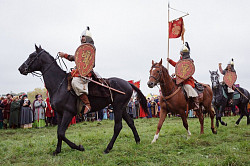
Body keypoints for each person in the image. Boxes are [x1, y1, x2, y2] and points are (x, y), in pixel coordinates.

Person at [59, 26, 94, 115]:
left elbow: (84, 61)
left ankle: (87, 104)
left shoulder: (90, 49)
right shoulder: (82, 49)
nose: (82, 39)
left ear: (88, 38)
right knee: (68, 77)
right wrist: (65, 55)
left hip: (85, 72)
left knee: (75, 82)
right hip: (78, 70)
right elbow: (77, 58)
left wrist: (65, 55)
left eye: (83, 37)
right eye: (81, 37)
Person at [167, 42, 199, 110]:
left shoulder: (190, 61)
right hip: (179, 79)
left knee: (188, 87)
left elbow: (188, 71)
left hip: (187, 79)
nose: (180, 53)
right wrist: (170, 61)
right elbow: (177, 66)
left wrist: (177, 74)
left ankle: (196, 103)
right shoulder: (180, 60)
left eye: (181, 52)